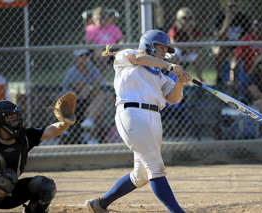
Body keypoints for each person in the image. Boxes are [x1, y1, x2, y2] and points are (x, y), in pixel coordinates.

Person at [84, 30, 190, 213]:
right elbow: (139, 59)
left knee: (140, 176)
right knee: (156, 168)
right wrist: (170, 66)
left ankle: (99, 204)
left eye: (166, 50)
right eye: (161, 48)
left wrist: (180, 81)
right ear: (149, 45)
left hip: (155, 118)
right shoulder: (125, 55)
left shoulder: (161, 76)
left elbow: (173, 98)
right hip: (132, 113)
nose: (164, 52)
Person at [0, 100, 72, 212]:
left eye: (15, 116)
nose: (15, 120)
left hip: (11, 193)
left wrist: (66, 122)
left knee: (45, 186)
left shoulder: (24, 137)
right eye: (10, 117)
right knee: (5, 178)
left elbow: (50, 131)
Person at [62, 49, 110, 144]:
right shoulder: (71, 71)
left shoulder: (94, 69)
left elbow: (95, 85)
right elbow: (81, 88)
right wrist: (90, 87)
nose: (85, 58)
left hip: (88, 101)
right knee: (99, 98)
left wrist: (89, 88)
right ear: (75, 59)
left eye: (87, 55)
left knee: (100, 100)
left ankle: (89, 126)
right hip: (74, 104)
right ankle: (90, 136)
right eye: (81, 56)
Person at [212, 0, 250, 84]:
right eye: (230, 7)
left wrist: (237, 48)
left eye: (235, 6)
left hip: (239, 46)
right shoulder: (219, 17)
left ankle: (235, 80)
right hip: (225, 46)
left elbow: (248, 37)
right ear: (225, 7)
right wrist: (227, 20)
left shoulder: (243, 17)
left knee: (239, 54)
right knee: (218, 50)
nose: (233, 9)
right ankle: (219, 77)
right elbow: (220, 38)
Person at [85, 7, 124, 78]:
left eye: (105, 19)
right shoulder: (91, 28)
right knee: (101, 54)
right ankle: (102, 79)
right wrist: (98, 47)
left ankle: (123, 78)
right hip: (99, 50)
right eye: (99, 19)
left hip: (113, 50)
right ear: (94, 20)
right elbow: (89, 42)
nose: (102, 21)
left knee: (126, 51)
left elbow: (121, 40)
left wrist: (121, 46)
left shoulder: (113, 27)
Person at [167, 7, 204, 82]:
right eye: (184, 18)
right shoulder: (175, 27)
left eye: (189, 18)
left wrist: (189, 31)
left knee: (199, 55)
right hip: (179, 51)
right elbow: (172, 43)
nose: (187, 20)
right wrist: (184, 48)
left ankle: (199, 78)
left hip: (189, 51)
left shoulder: (194, 27)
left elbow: (196, 43)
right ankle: (173, 79)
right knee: (176, 55)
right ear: (179, 19)